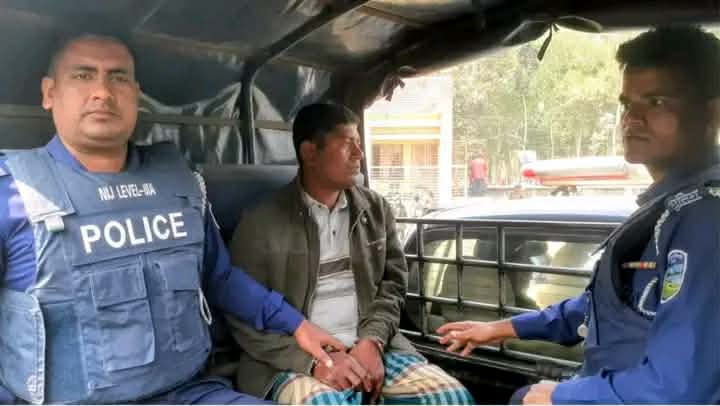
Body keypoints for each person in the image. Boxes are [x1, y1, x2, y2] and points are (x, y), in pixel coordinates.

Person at [0, 33, 346, 405]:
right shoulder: (14, 193)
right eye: (83, 75)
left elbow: (219, 277)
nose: (102, 92)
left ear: (136, 94)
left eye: (118, 77)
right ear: (49, 93)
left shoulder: (181, 185)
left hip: (188, 393)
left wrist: (297, 326)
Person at [437, 25, 720, 404]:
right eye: (627, 104)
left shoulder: (704, 220)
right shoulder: (667, 209)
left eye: (655, 102)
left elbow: (678, 390)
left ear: (712, 112)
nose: (631, 119)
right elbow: (605, 306)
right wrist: (501, 328)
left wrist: (561, 396)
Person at [225, 102, 474, 405]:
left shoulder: (375, 209)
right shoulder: (260, 222)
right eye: (347, 144)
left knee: (451, 397)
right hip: (292, 359)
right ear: (310, 152)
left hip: (372, 345)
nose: (359, 154)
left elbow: (392, 287)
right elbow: (242, 315)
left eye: (359, 142)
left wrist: (372, 341)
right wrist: (312, 363)